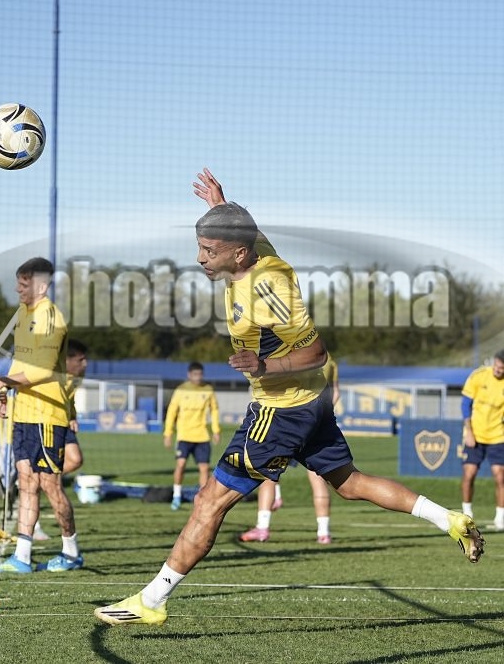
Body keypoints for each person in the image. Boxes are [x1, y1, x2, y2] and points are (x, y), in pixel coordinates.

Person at [94, 168, 484, 627]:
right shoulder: (258, 253)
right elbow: (249, 229)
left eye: (210, 250)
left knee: (209, 501)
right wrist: (220, 205)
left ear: (239, 254)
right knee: (349, 483)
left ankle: (152, 600)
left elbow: (316, 353)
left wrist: (265, 366)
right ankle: (448, 519)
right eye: (200, 247)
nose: (200, 258)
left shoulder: (268, 288)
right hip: (310, 404)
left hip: (281, 412)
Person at [0, 257, 84, 572]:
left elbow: (43, 370)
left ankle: (71, 552)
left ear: (41, 286)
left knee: (50, 485)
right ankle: (22, 556)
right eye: (17, 283)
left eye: (23, 284)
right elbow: (19, 360)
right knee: (26, 482)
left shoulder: (51, 317)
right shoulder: (22, 314)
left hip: (46, 415)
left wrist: (3, 382)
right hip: (23, 413)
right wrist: (3, 393)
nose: (17, 289)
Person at [240, 355, 340, 544]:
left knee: (267, 475)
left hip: (287, 422)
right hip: (316, 422)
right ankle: (323, 532)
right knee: (318, 478)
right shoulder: (329, 360)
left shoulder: (289, 355)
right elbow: (335, 394)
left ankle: (262, 527)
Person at [33, 338, 88, 540]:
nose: (85, 364)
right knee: (48, 478)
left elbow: (69, 400)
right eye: (81, 360)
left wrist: (73, 416)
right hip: (48, 423)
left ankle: (43, 478)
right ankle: (34, 525)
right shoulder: (52, 375)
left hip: (64, 423)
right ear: (67, 360)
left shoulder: (76, 378)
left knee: (76, 460)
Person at [163, 361, 221, 510]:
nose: (198, 377)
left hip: (202, 436)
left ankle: (202, 499)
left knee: (204, 468)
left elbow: (214, 410)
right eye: (195, 374)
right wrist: (168, 433)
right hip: (184, 436)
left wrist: (216, 430)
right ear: (189, 375)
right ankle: (176, 496)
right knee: (181, 464)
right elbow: (172, 412)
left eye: (200, 374)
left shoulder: (208, 390)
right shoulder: (181, 390)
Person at [461, 350, 504, 530]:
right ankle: (467, 514)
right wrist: (469, 432)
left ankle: (500, 519)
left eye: (502, 368)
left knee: (500, 476)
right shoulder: (478, 376)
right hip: (475, 435)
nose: (498, 370)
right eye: (497, 366)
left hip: (498, 436)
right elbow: (465, 404)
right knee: (469, 474)